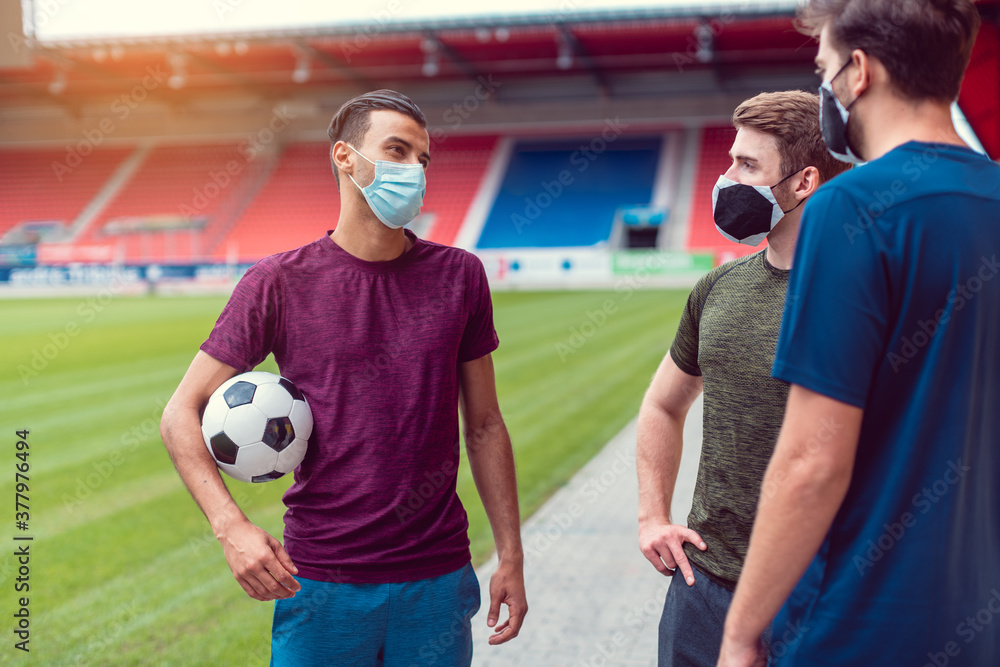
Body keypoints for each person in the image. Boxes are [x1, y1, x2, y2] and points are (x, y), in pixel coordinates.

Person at [160, 89, 527, 666]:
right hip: (322, 580)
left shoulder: (461, 276)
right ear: (345, 157)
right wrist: (230, 525)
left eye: (422, 160)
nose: (413, 171)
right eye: (397, 151)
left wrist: (511, 554)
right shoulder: (277, 282)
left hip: (436, 578)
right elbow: (180, 411)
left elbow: (483, 426)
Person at [717, 1, 1000, 666]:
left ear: (858, 73)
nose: (824, 88)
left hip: (857, 623)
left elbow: (812, 462)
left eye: (823, 68)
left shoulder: (853, 208)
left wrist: (739, 630)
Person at [636, 90, 850, 666]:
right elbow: (662, 406)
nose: (726, 178)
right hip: (704, 587)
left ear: (804, 182)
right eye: (731, 161)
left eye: (746, 166)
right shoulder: (717, 290)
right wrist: (652, 516)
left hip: (821, 594)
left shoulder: (860, 295)